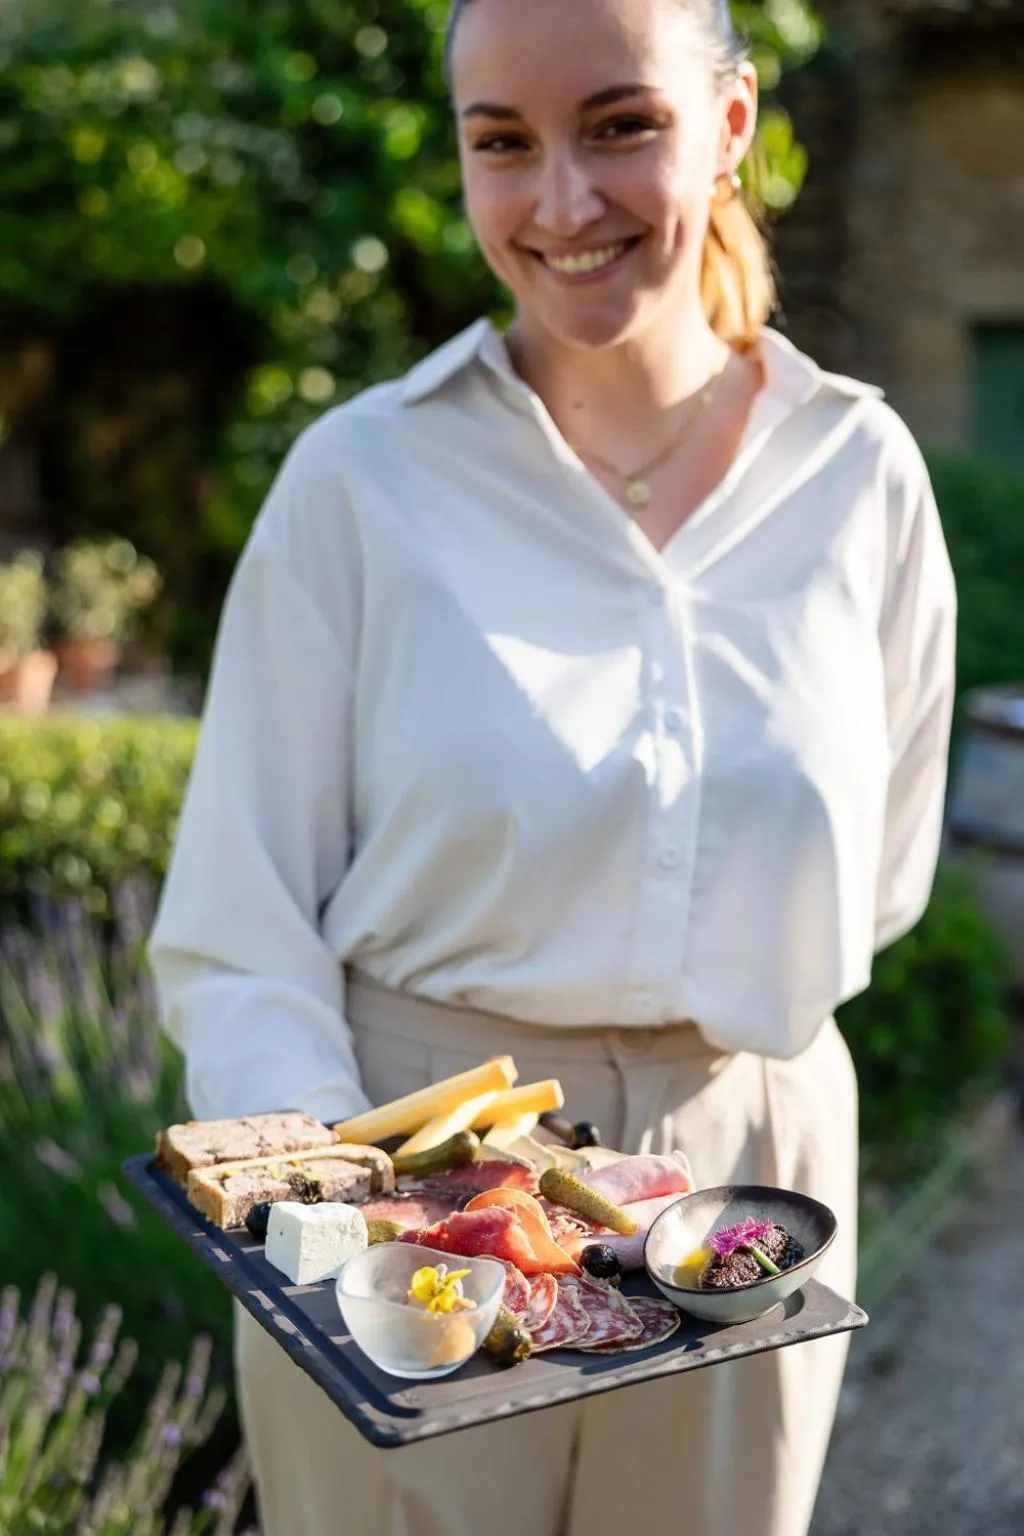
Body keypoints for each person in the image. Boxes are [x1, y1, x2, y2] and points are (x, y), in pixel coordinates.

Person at [148, 0, 956, 1532]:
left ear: (728, 126)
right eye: (502, 144)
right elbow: (237, 919)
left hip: (744, 1184)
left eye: (621, 124)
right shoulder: (363, 482)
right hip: (408, 1173)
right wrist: (348, 1213)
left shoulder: (862, 475)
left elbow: (887, 868)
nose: (563, 203)